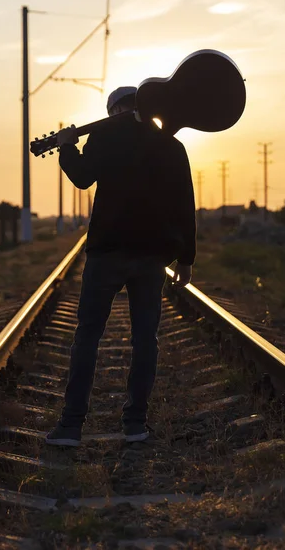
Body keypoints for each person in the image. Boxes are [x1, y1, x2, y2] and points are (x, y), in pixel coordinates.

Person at [46, 86, 196, 447]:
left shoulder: (104, 136)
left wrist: (67, 145)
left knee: (87, 337)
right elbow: (185, 205)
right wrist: (186, 259)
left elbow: (82, 176)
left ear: (113, 109)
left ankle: (70, 427)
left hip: (106, 253)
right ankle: (135, 425)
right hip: (151, 257)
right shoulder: (171, 145)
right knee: (146, 339)